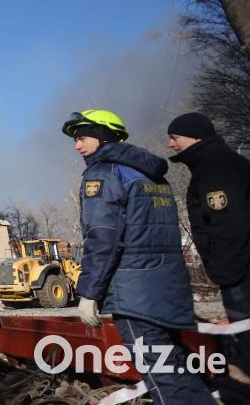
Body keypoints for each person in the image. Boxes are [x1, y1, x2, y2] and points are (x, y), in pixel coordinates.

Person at [62, 109, 215, 404]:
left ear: (103, 135)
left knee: (163, 381)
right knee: (177, 372)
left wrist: (89, 293)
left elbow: (103, 237)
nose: (77, 145)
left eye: (82, 137)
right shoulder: (151, 173)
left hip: (134, 297)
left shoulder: (103, 173)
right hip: (167, 289)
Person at [167, 112, 250, 375]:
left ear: (195, 136)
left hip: (240, 274)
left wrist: (225, 272)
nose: (170, 144)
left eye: (174, 137)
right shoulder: (216, 162)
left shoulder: (215, 167)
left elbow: (229, 224)